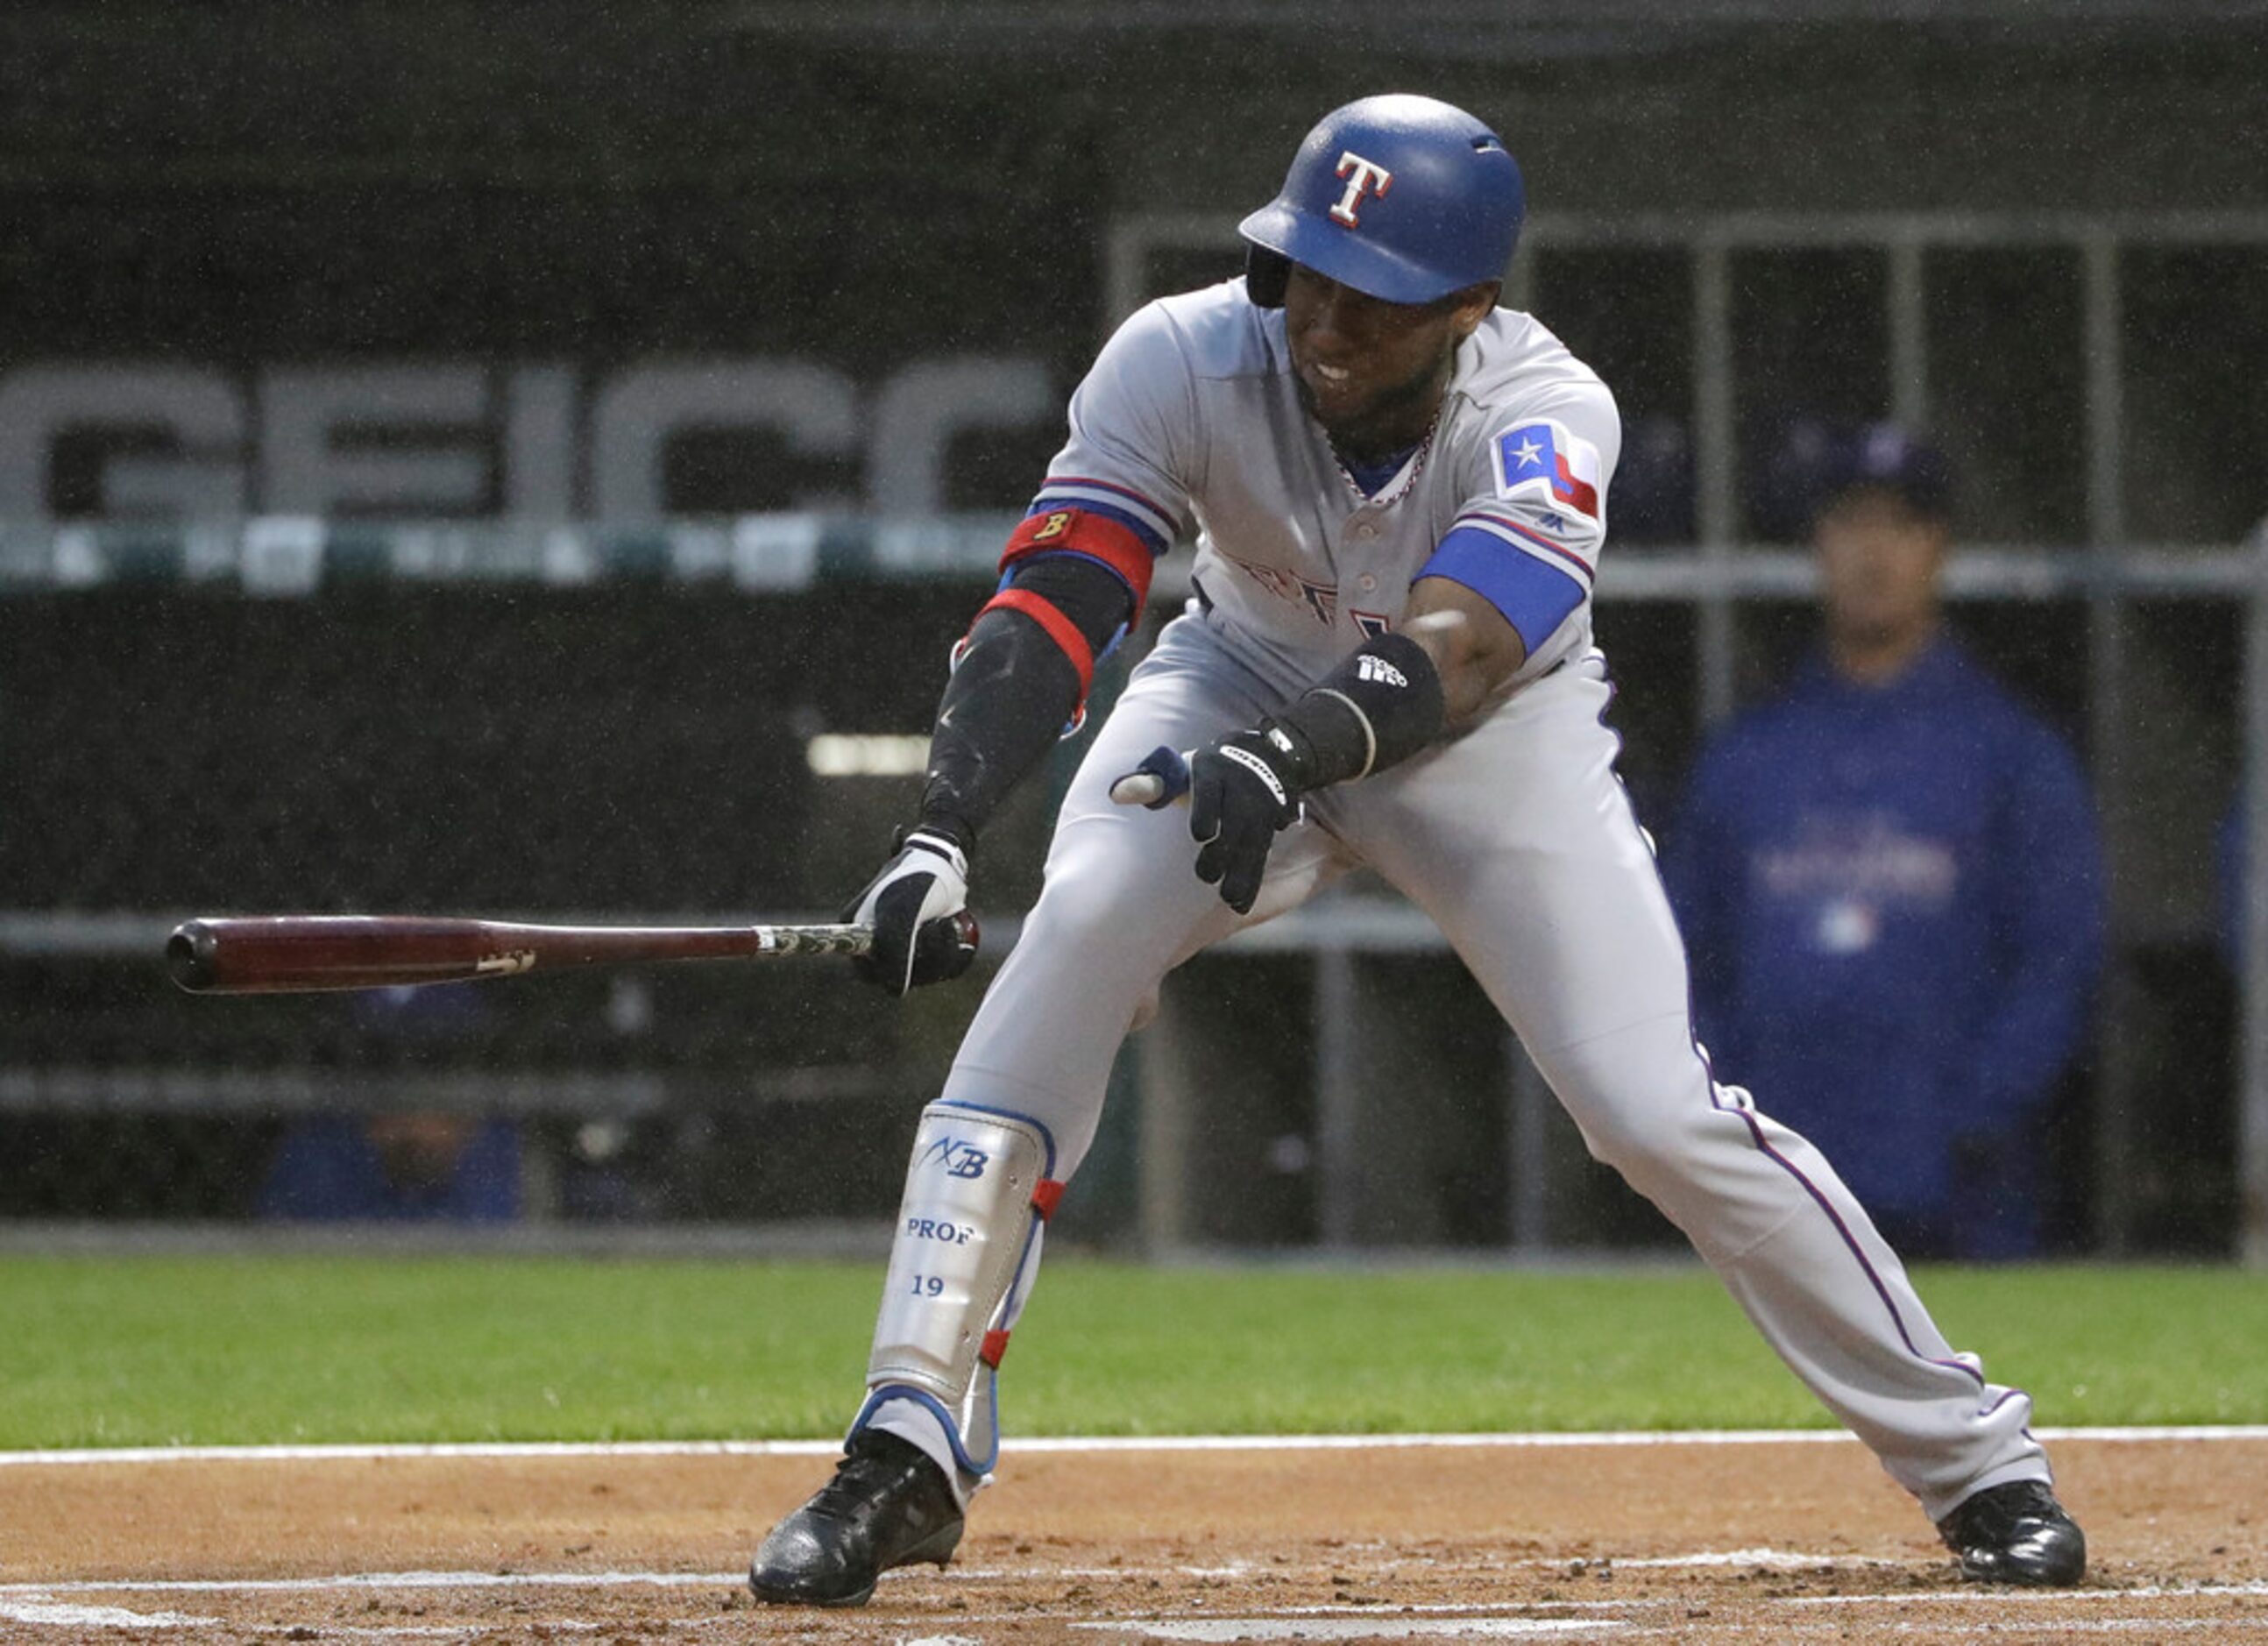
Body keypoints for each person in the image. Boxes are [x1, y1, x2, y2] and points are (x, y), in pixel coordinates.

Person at [748, 95, 2087, 1607]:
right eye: (1301, 270)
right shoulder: (1178, 354)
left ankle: (1979, 1463)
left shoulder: (1545, 406)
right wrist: (938, 825)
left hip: (1484, 736)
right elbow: (1060, 595)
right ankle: (902, 1449)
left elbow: (1458, 645)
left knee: (1651, 1108)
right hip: (1234, 677)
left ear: (1464, 307)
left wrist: (1292, 755)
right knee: (1070, 940)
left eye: (1369, 297)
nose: (1320, 318)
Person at [1662, 427, 2105, 1260]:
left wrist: (1977, 1113)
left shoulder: (2011, 753)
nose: (1873, 553)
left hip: (1964, 1194)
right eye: (1849, 525)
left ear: (1938, 547)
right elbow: (1682, 952)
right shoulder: (1748, 758)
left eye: (1900, 527)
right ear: (1816, 546)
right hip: (1773, 1179)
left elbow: (2060, 958)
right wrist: (1722, 1109)